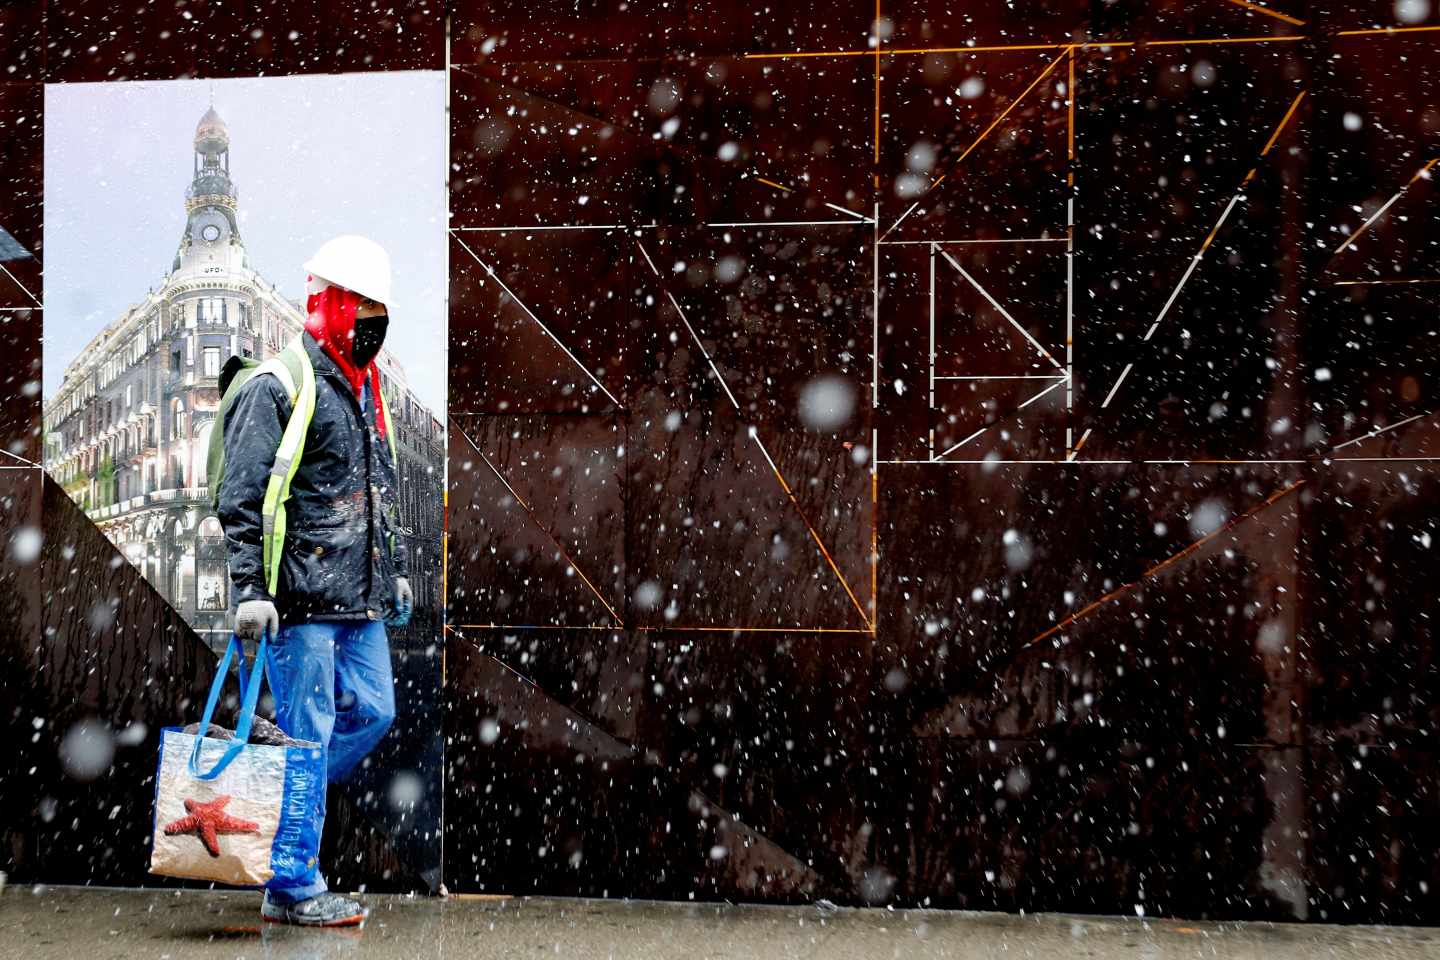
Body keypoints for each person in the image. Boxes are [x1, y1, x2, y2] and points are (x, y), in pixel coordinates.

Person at [217, 234, 413, 927]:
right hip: (299, 602)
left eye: (380, 306)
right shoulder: (279, 384)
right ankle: (292, 884)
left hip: (360, 601)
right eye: (362, 304)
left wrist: (393, 574)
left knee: (373, 712)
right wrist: (251, 589)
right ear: (327, 303)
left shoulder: (368, 391)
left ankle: (278, 792)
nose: (372, 319)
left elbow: (376, 492)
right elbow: (240, 496)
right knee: (310, 737)